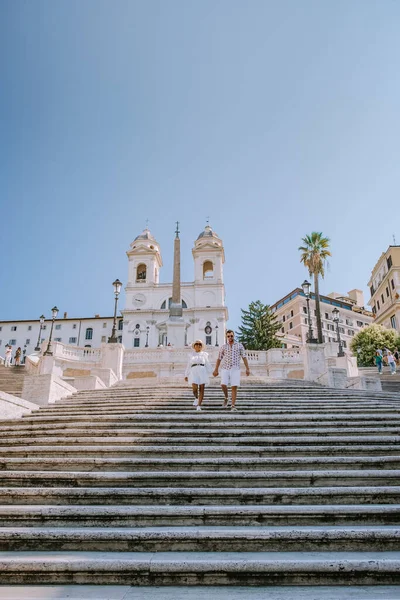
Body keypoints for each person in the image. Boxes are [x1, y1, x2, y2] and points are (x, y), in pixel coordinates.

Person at [213, 330, 250, 412]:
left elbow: (244, 357)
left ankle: (233, 405)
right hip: (225, 368)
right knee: (223, 384)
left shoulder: (239, 345)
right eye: (228, 336)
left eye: (231, 336)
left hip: (235, 368)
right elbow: (219, 358)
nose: (230, 338)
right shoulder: (223, 347)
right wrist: (216, 369)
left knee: (234, 386)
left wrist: (247, 368)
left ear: (234, 336)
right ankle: (226, 397)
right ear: (226, 337)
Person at [184, 339, 212, 412]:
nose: (198, 345)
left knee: (202, 388)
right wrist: (186, 374)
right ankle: (196, 398)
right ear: (194, 346)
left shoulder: (204, 354)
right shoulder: (191, 355)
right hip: (194, 371)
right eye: (197, 344)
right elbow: (188, 365)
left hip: (202, 370)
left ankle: (199, 405)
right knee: (194, 387)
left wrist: (213, 371)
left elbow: (207, 363)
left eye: (200, 344)